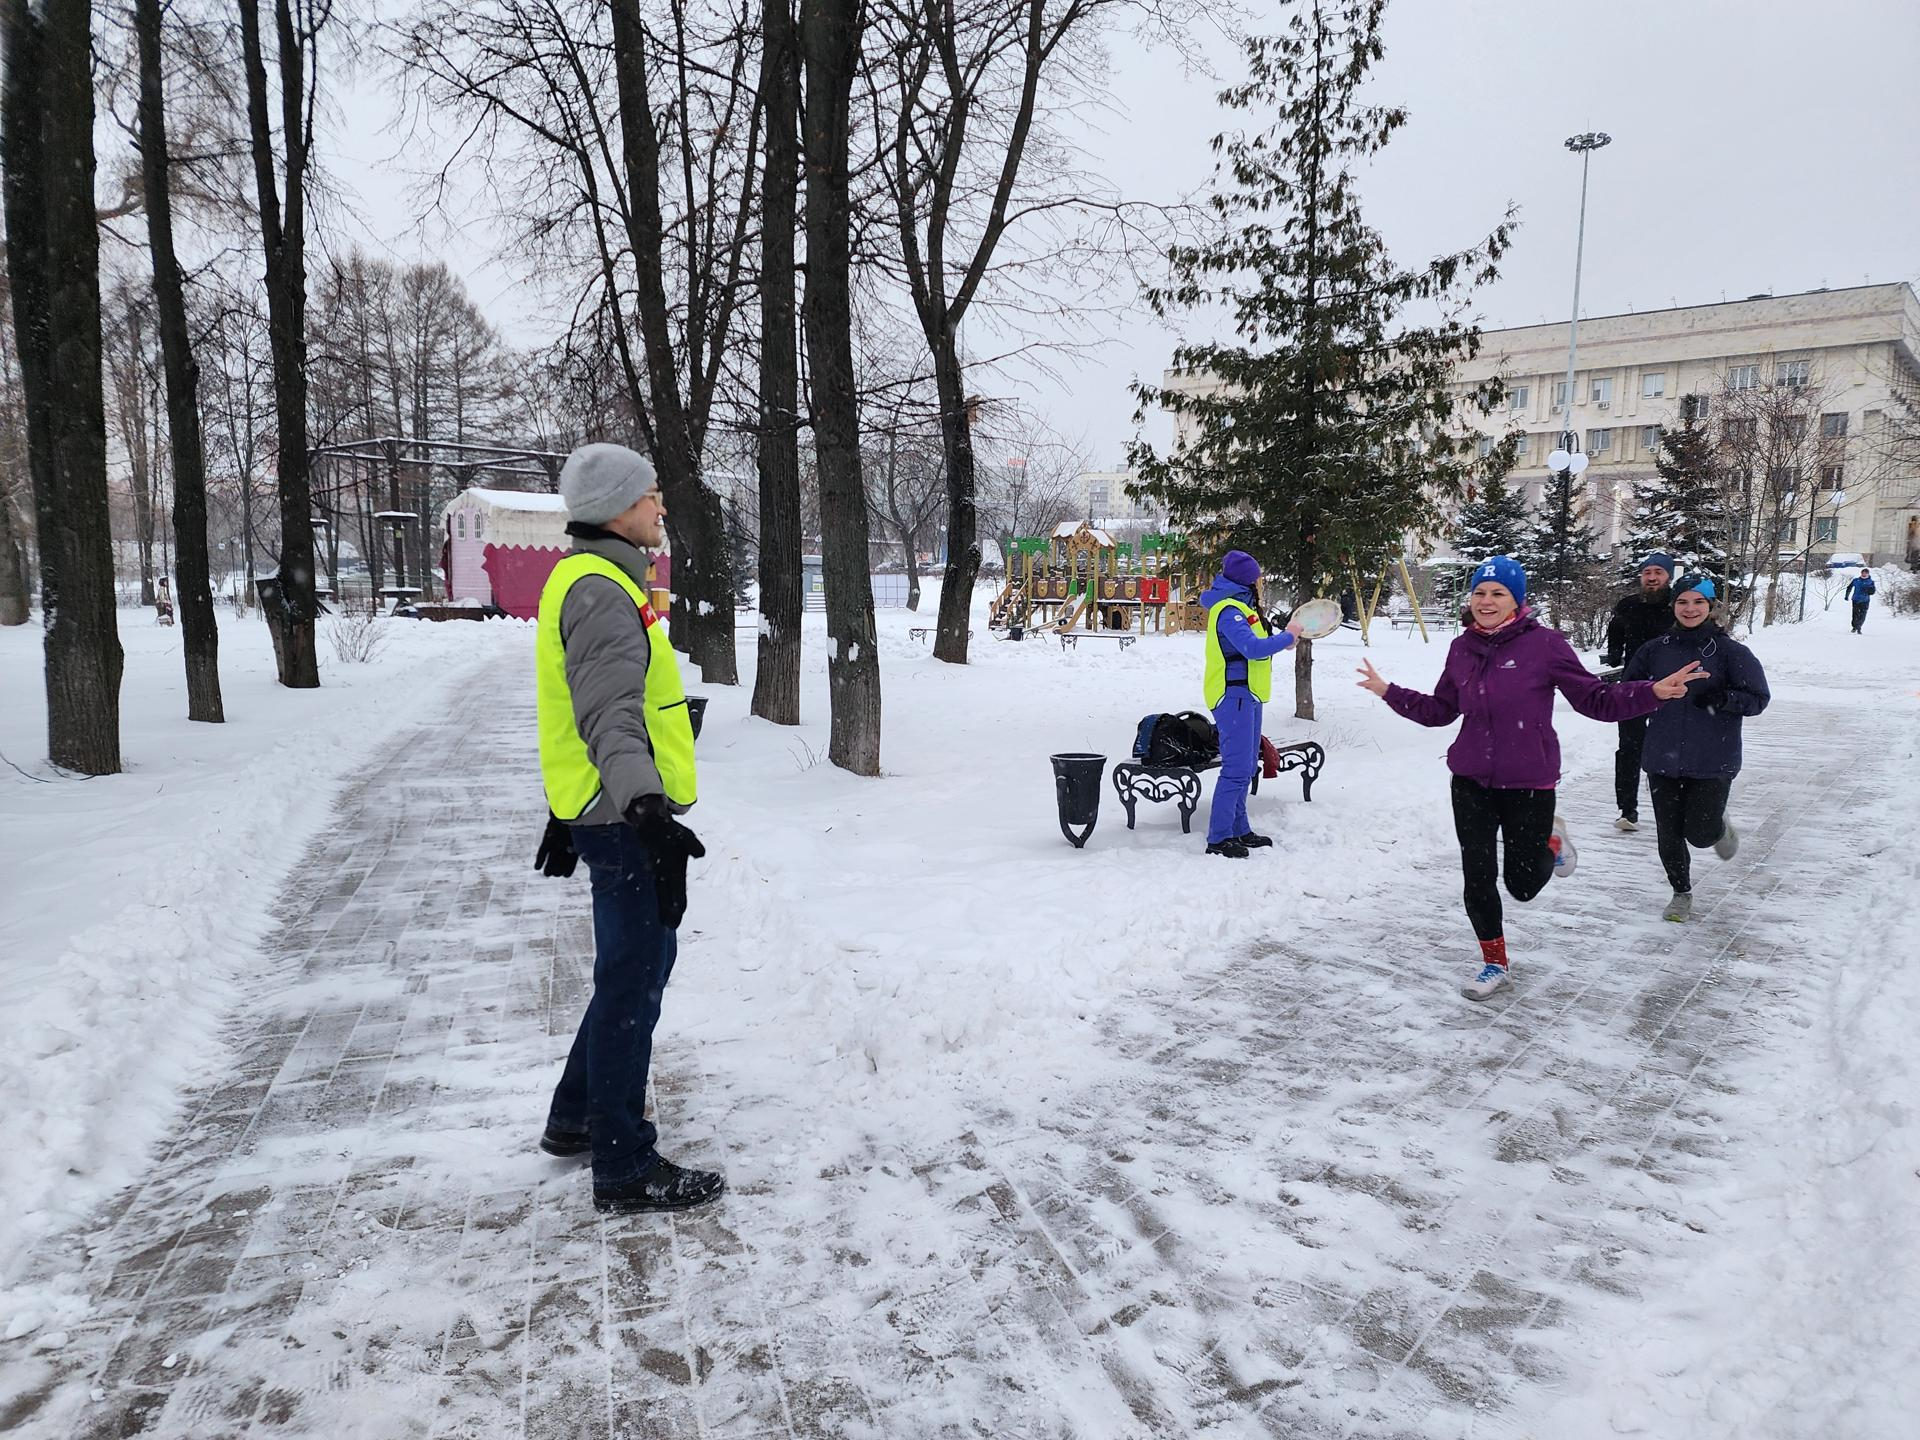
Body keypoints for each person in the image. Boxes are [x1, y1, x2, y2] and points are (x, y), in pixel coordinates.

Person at [1356, 556, 1705, 1000]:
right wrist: (1390, 692)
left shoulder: (1545, 645)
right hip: (1470, 779)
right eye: (1480, 593)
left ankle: (1551, 842)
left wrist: (1651, 692)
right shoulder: (1462, 647)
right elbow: (1442, 710)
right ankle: (1493, 963)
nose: (1486, 601)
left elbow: (1594, 699)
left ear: (1517, 600)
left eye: (1498, 593)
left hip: (1528, 780)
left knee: (1521, 886)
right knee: (1477, 875)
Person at [531, 442, 723, 1214]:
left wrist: (564, 809)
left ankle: (578, 1117)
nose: (661, 507)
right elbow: (610, 714)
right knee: (634, 983)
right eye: (650, 495)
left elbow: (592, 703)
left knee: (627, 976)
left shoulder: (594, 578)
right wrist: (646, 814)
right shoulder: (601, 590)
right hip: (621, 818)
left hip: (604, 810)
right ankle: (621, 1163)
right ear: (615, 507)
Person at [1622, 575, 1770, 922]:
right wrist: (1650, 693)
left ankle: (1718, 827)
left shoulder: (1731, 652)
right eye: (1682, 602)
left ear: (1711, 606)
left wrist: (1724, 698)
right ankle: (1680, 892)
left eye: (1698, 602)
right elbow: (1629, 691)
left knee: (1700, 835)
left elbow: (1759, 699)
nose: (1690, 609)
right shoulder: (1655, 650)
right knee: (1668, 834)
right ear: (1673, 606)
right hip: (1662, 755)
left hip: (1713, 757)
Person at [1200, 551, 1304, 857]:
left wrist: (1282, 639)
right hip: (1233, 696)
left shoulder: (1243, 607)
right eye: (1258, 576)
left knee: (1245, 768)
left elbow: (1258, 646)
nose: (1261, 580)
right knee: (1235, 768)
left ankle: (1239, 829)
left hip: (1249, 696)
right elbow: (1251, 648)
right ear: (1246, 579)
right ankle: (1219, 838)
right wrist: (1287, 638)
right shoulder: (1229, 610)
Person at [1599, 552, 1675, 831]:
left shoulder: (1676, 606)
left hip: (1671, 689)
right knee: (1629, 749)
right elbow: (1615, 632)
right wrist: (1615, 654)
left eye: (1658, 572)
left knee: (1668, 750)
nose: (1652, 577)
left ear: (1668, 576)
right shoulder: (1628, 605)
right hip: (1632, 688)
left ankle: (1670, 807)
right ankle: (1627, 809)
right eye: (1647, 572)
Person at [1845, 566, 1876, 633]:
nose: (1864, 574)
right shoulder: (1856, 580)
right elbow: (1849, 588)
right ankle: (1854, 627)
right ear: (1861, 573)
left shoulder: (1870, 582)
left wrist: (1868, 590)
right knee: (1855, 614)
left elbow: (1873, 591)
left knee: (1862, 615)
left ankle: (1859, 627)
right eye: (1863, 573)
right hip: (1855, 599)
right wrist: (1846, 596)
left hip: (1865, 600)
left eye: (1865, 573)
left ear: (1868, 574)